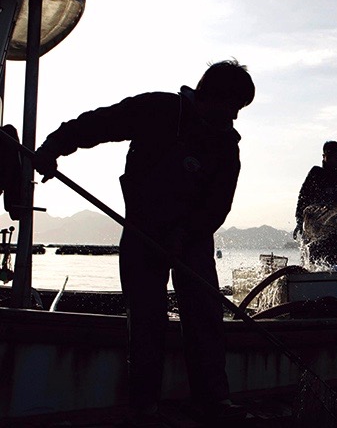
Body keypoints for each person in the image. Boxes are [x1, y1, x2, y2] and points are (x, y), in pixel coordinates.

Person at [33, 60, 255, 424]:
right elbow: (99, 123)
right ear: (210, 96)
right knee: (145, 320)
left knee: (204, 317)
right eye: (232, 107)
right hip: (142, 233)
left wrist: (186, 234)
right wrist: (55, 145)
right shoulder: (158, 109)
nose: (233, 117)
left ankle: (213, 399)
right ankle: (144, 406)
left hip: (193, 240)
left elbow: (218, 204)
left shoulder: (227, 146)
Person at [293, 140, 337, 267]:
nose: (333, 159)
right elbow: (303, 196)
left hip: (334, 228)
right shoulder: (316, 173)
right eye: (329, 155)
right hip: (313, 227)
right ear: (324, 156)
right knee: (312, 262)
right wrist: (299, 220)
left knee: (331, 263)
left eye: (336, 156)